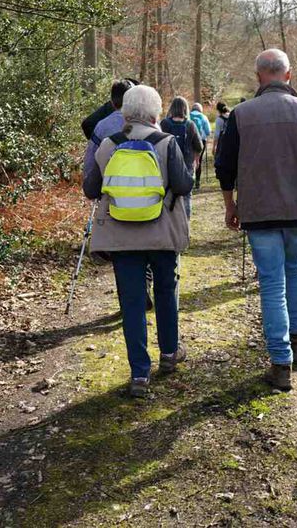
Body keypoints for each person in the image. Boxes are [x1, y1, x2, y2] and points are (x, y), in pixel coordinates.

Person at [214, 49, 297, 392]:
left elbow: (224, 167)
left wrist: (230, 206)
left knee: (271, 282)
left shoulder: (241, 115)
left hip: (259, 212)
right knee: (294, 270)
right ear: (288, 75)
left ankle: (280, 362)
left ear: (258, 77)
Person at [83, 85, 193, 398]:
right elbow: (184, 185)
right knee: (166, 291)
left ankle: (139, 374)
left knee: (131, 302)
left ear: (125, 113)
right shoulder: (167, 142)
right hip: (162, 235)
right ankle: (170, 355)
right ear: (156, 112)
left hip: (121, 237)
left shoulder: (108, 144)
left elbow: (91, 189)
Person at [83, 79, 136, 179]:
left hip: (110, 188)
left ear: (112, 102)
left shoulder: (102, 126)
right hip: (145, 190)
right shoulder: (147, 124)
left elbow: (90, 165)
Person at [160, 97, 202, 218]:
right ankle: (185, 223)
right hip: (186, 165)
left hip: (168, 164)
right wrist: (196, 159)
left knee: (167, 193)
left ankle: (168, 221)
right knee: (187, 195)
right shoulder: (190, 125)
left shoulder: (164, 124)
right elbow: (199, 146)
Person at [189, 102, 212, 189]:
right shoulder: (203, 117)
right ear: (200, 109)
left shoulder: (187, 115)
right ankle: (197, 182)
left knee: (189, 160)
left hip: (189, 140)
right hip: (201, 141)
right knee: (199, 160)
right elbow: (208, 131)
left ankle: (190, 180)